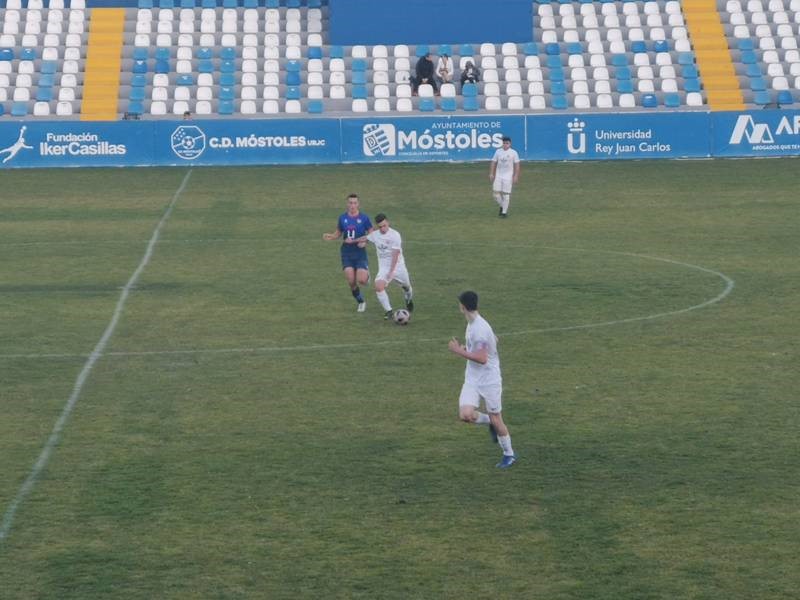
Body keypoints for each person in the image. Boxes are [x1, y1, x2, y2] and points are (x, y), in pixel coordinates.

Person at [448, 291, 516, 468]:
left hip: (489, 380)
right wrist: (469, 348)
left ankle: (509, 454)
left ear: (463, 306)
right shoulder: (474, 323)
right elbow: (494, 340)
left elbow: (482, 358)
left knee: (497, 419)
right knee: (466, 415)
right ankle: (490, 423)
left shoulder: (479, 328)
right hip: (472, 378)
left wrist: (458, 350)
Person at [323, 194, 373, 312]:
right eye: (350, 203)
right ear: (347, 204)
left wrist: (365, 242)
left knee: (361, 280)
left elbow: (372, 233)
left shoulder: (364, 218)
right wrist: (331, 236)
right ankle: (361, 302)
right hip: (346, 253)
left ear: (358, 204)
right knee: (351, 281)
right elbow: (339, 232)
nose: (352, 205)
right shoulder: (342, 218)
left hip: (360, 252)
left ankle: (367, 276)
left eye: (355, 203)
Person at [363, 213, 414, 320]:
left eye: (384, 225)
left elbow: (395, 255)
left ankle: (408, 299)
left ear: (388, 222)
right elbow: (366, 238)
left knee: (407, 287)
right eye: (380, 227)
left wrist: (392, 271)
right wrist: (353, 241)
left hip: (398, 267)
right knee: (378, 286)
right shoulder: (375, 235)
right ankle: (389, 311)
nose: (382, 228)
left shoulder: (395, 235)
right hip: (384, 268)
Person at [489, 135, 520, 218]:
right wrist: (491, 173)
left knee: (506, 194)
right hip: (498, 175)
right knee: (495, 194)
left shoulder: (514, 153)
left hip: (508, 176)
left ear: (510, 144)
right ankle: (503, 206)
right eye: (504, 143)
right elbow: (493, 162)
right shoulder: (498, 151)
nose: (505, 145)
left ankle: (504, 213)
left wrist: (516, 176)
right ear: (502, 144)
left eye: (507, 143)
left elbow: (517, 165)